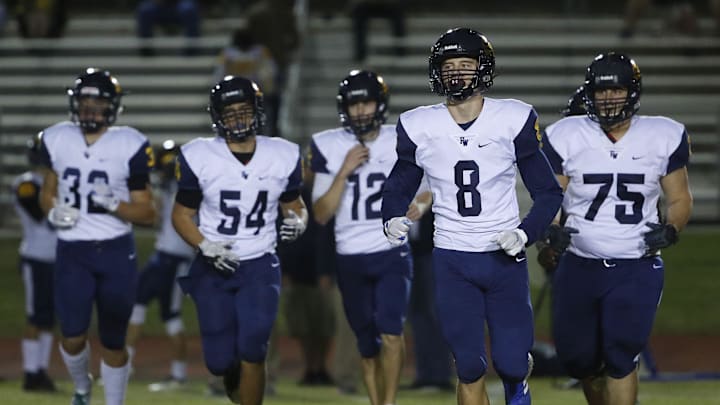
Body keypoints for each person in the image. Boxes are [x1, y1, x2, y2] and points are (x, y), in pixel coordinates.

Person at [381, 28, 564, 405]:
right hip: (452, 257)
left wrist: (525, 233)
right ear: (437, 72)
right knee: (468, 365)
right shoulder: (420, 125)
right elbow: (398, 184)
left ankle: (517, 388)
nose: (458, 73)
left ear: (483, 69)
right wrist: (390, 215)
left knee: (513, 362)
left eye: (466, 65)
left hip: (503, 256)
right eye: (450, 66)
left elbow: (548, 192)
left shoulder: (512, 118)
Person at [543, 52, 693, 405]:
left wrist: (672, 228)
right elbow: (549, 195)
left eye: (617, 90)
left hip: (635, 263)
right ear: (590, 94)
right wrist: (551, 229)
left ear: (633, 92)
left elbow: (679, 199)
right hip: (580, 262)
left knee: (621, 357)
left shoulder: (662, 134)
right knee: (579, 360)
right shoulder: (567, 134)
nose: (608, 99)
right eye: (601, 92)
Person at [171, 75, 308, 405]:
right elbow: (181, 215)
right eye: (229, 112)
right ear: (217, 116)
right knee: (219, 362)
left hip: (260, 262)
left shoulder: (284, 154)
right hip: (212, 265)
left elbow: (295, 205)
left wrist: (298, 222)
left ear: (257, 111)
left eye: (243, 110)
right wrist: (206, 246)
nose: (237, 118)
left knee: (253, 347)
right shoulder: (199, 155)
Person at [38, 68, 157, 405]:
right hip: (73, 250)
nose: (90, 108)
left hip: (116, 251)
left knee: (113, 341)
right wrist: (51, 210)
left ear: (113, 106)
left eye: (97, 102)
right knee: (72, 336)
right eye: (84, 101)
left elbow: (148, 213)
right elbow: (48, 192)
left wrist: (115, 205)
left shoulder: (129, 143)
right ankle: (82, 388)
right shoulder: (57, 137)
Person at [310, 69, 427, 405]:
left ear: (380, 104)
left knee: (392, 332)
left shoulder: (402, 139)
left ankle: (388, 403)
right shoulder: (329, 145)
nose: (360, 110)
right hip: (350, 255)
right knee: (366, 343)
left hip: (391, 249)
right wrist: (344, 171)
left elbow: (430, 185)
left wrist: (421, 203)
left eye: (366, 102)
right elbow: (321, 213)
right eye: (354, 104)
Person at [125, 139, 194, 392]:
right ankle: (125, 365)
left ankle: (178, 375)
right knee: (137, 304)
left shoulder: (187, 188)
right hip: (162, 256)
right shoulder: (172, 187)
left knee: (171, 315)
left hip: (176, 259)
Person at [278, 158, 335, 387]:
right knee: (303, 327)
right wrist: (284, 269)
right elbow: (281, 236)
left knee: (323, 326)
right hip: (297, 270)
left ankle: (321, 367)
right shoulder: (287, 196)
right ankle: (311, 368)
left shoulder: (324, 195)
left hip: (320, 271)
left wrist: (326, 270)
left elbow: (329, 235)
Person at [13, 134, 58, 392]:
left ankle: (40, 370)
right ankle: (30, 373)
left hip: (55, 259)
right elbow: (45, 216)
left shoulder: (55, 185)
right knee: (35, 316)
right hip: (35, 258)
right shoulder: (26, 184)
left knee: (48, 317)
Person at [405, 210, 454, 391]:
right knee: (416, 314)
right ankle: (424, 374)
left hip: (433, 250)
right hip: (409, 250)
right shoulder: (404, 183)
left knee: (435, 313)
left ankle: (440, 375)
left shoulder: (432, 182)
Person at [212, 27, 277, 94]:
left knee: (266, 72)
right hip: (234, 87)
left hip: (257, 85)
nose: (243, 46)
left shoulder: (260, 51)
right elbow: (219, 72)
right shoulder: (228, 53)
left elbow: (272, 69)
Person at [136, 0, 200, 56]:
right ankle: (146, 49)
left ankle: (191, 50)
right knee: (145, 9)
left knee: (189, 9)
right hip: (158, 7)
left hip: (179, 6)